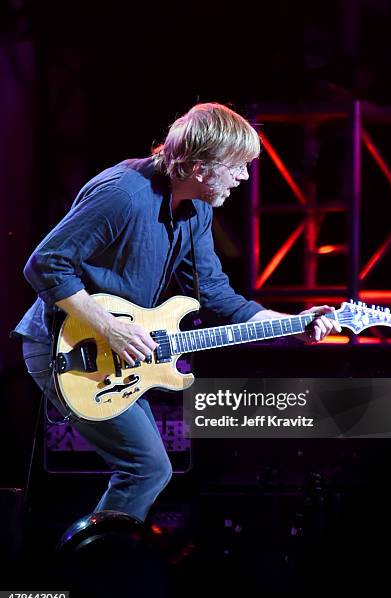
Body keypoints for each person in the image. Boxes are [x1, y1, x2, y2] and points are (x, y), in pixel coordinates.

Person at [12, 102, 341, 522]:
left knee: (150, 469)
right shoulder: (123, 194)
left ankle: (102, 561)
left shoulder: (197, 209)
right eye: (237, 167)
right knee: (147, 468)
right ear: (201, 167)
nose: (243, 178)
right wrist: (110, 328)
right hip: (64, 347)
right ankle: (89, 567)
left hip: (115, 351)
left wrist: (292, 325)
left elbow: (218, 297)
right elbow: (44, 264)